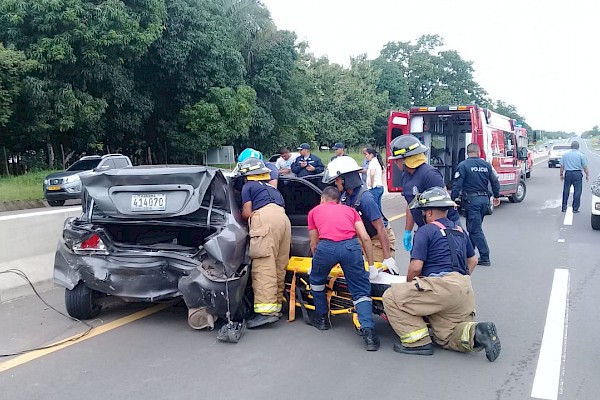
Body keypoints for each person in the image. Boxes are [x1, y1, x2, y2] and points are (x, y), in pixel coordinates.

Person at [382, 187, 501, 362]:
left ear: (428, 212)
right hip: (464, 288)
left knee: (391, 297)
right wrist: (458, 280)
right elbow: (473, 260)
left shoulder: (425, 231)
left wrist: (409, 285)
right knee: (447, 334)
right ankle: (478, 332)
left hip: (440, 287)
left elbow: (415, 267)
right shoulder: (460, 231)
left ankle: (418, 343)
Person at [308, 186, 380, 351]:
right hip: (351, 247)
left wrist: (318, 263)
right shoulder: (350, 211)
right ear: (338, 200)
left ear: (323, 199)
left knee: (316, 280)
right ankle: (369, 334)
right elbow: (365, 238)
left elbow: (314, 243)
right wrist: (371, 265)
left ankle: (322, 319)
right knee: (360, 290)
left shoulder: (314, 211)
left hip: (325, 248)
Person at [237, 157, 292, 328]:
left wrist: (239, 214)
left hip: (265, 219)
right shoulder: (272, 188)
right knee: (278, 265)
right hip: (283, 220)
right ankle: (276, 305)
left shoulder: (248, 186)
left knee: (263, 265)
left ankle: (265, 312)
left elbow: (247, 213)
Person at [388, 135, 461, 253]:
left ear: (407, 159)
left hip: (444, 228)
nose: (395, 162)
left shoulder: (430, 175)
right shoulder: (406, 176)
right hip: (425, 228)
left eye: (397, 159)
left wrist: (434, 235)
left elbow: (443, 207)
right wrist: (408, 231)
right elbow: (411, 204)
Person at [324, 156, 398, 272]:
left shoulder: (365, 199)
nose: (335, 183)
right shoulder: (345, 197)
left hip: (377, 239)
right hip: (362, 237)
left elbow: (380, 228)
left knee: (377, 275)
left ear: (345, 179)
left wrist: (387, 257)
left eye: (337, 179)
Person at [450, 143, 500, 267]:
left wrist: (451, 199)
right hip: (484, 201)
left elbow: (457, 184)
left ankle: (484, 256)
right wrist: (497, 196)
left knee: (474, 230)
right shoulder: (486, 165)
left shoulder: (463, 165)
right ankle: (468, 255)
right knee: (474, 228)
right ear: (479, 152)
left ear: (467, 153)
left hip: (472, 201)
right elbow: (495, 181)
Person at [559, 141, 589, 213]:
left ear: (571, 147)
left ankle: (564, 207)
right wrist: (587, 175)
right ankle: (575, 208)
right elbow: (585, 166)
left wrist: (561, 175)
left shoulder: (565, 155)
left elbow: (562, 166)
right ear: (578, 147)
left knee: (566, 190)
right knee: (577, 191)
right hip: (577, 174)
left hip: (568, 173)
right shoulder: (581, 155)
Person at [365, 147, 384, 213]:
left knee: (374, 208)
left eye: (366, 154)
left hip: (375, 188)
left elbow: (372, 174)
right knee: (378, 207)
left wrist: (371, 184)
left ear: (371, 154)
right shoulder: (376, 161)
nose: (366, 156)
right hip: (379, 187)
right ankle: (383, 222)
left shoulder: (372, 162)